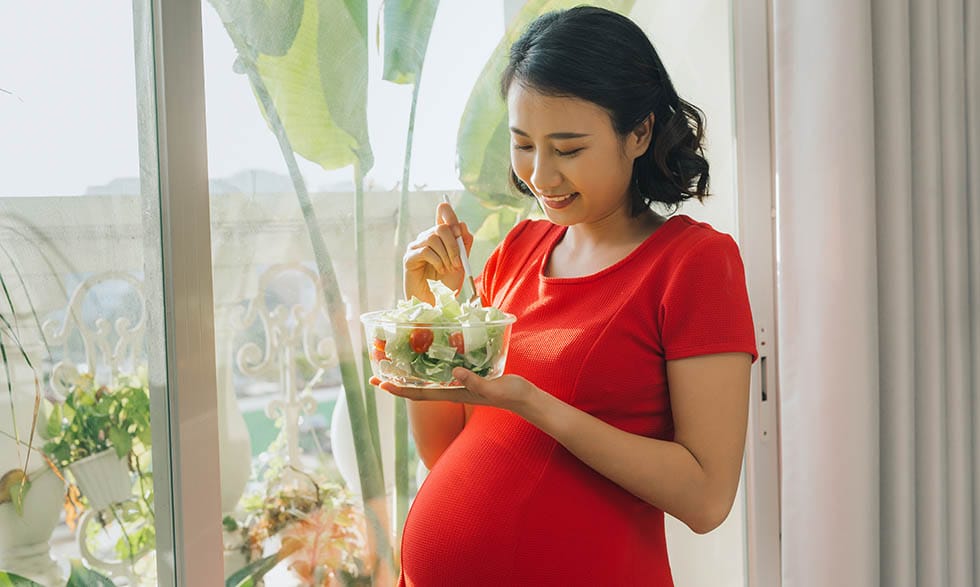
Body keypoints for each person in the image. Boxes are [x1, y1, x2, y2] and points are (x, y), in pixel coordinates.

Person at [373, 6, 758, 586]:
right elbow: (447, 450)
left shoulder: (693, 263)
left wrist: (534, 404)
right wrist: (429, 318)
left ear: (639, 133)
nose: (540, 176)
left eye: (568, 148)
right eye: (523, 144)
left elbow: (707, 498)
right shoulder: (517, 251)